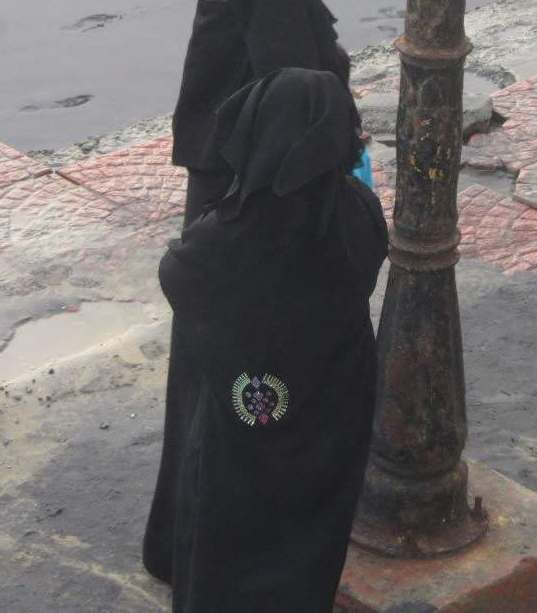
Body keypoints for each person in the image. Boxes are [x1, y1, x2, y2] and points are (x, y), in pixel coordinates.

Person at [144, 0, 350, 583]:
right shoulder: (317, 121)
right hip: (283, 364)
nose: (212, 10)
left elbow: (187, 272)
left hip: (246, 347)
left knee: (224, 425)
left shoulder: (286, 142)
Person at [152, 67, 388, 612]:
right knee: (311, 526)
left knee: (228, 525)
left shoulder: (230, 233)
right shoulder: (355, 209)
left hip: (250, 404)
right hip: (336, 397)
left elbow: (180, 276)